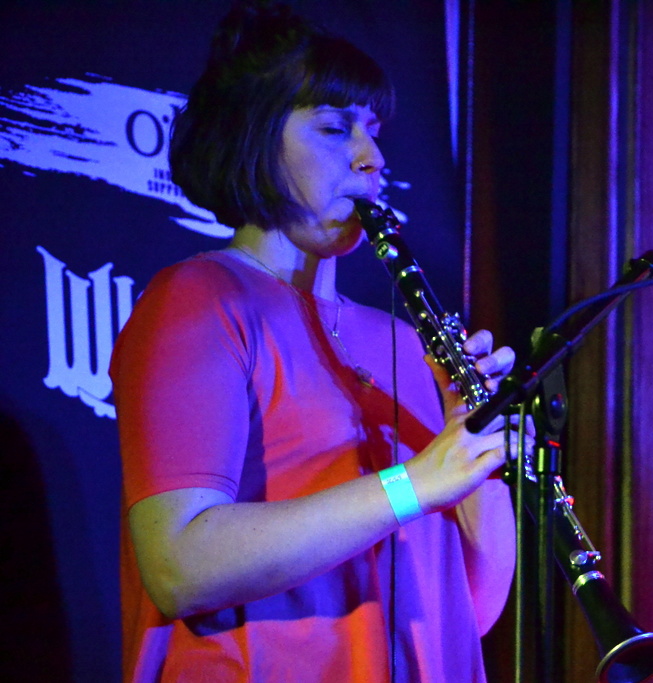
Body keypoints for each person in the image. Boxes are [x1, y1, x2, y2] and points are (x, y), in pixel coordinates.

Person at [110, 2, 520, 681]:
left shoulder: (404, 342)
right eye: (335, 128)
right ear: (254, 138)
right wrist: (416, 482)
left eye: (374, 131)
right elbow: (180, 563)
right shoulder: (199, 299)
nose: (372, 158)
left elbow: (470, 609)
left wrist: (480, 454)